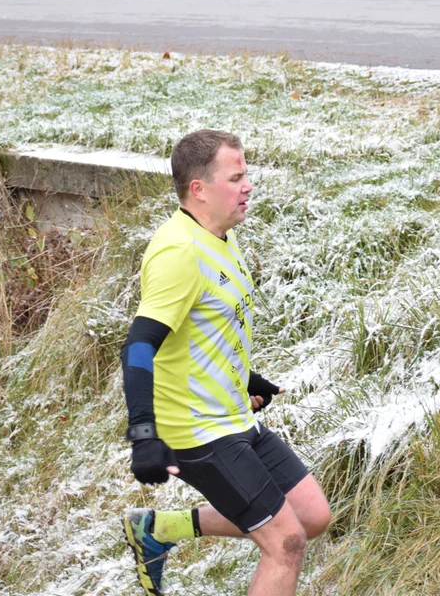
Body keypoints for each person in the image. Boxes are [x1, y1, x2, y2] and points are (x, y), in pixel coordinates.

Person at [118, 129, 331, 596]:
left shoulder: (221, 238)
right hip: (197, 430)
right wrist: (143, 434)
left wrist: (243, 377)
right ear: (199, 189)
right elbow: (137, 346)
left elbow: (203, 328)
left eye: (246, 175)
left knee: (312, 517)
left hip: (232, 416)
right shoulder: (180, 252)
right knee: (286, 542)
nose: (248, 185)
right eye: (236, 177)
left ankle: (160, 530)